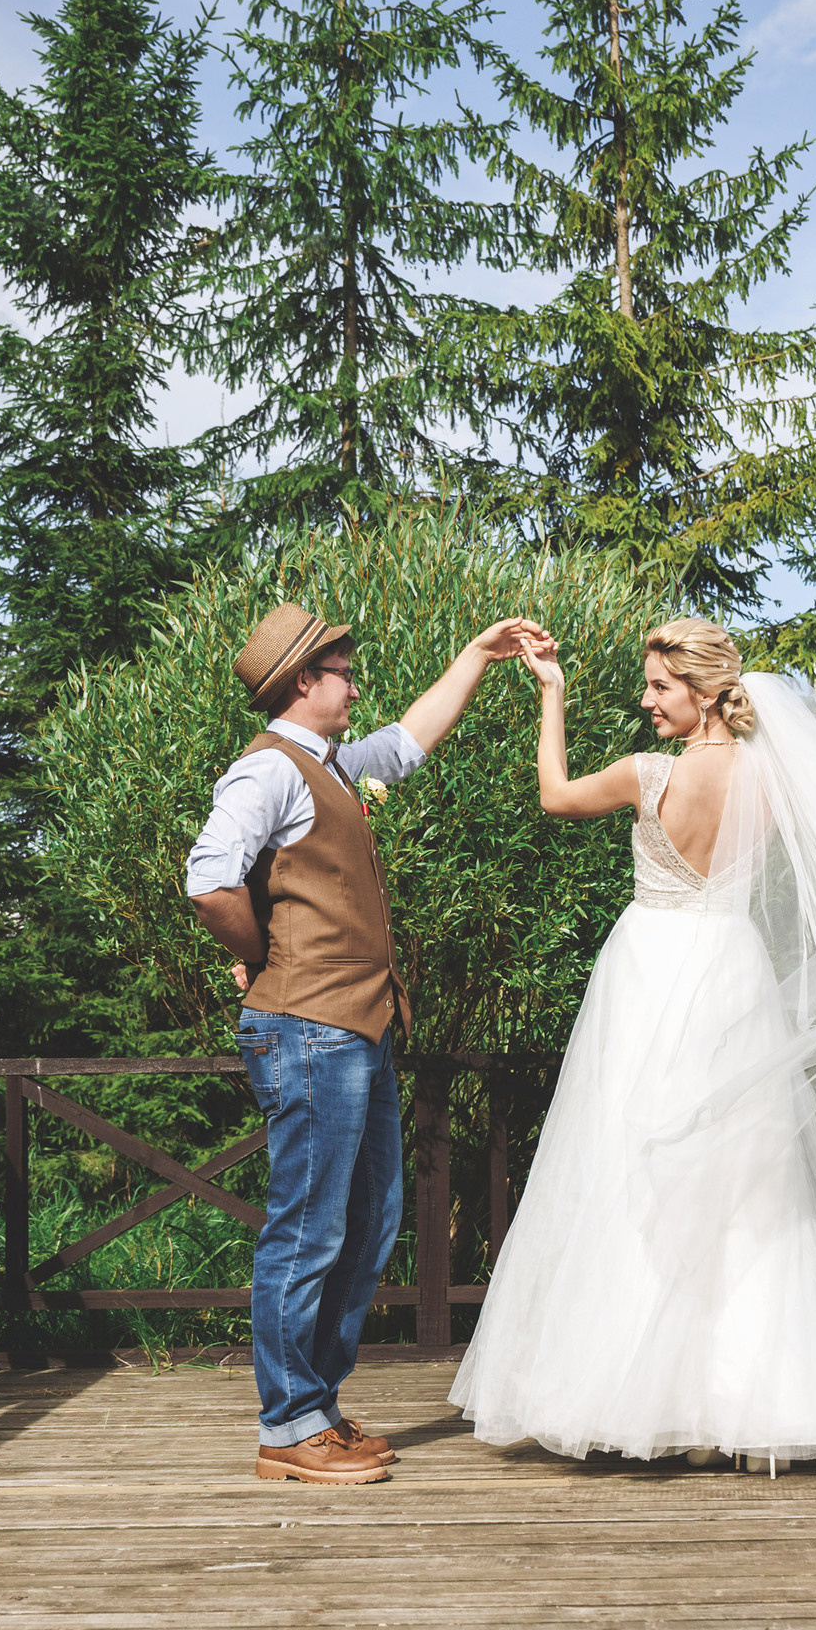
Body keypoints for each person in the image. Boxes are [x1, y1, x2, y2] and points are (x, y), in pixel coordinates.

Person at [448, 617, 816, 1471]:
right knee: (747, 1183)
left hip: (649, 971)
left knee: (633, 1164)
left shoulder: (649, 776)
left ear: (702, 690)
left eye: (658, 686)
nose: (647, 700)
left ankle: (635, 1395)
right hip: (732, 972)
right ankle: (760, 1400)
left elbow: (554, 794)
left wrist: (551, 693)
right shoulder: (773, 781)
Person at [188, 602, 547, 1485]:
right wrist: (258, 949)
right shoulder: (267, 772)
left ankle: (316, 1404)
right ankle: (286, 1427)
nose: (356, 684)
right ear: (305, 681)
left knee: (368, 1220)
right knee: (308, 1229)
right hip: (309, 1027)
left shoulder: (333, 765)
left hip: (358, 1027)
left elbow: (409, 741)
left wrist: (477, 652)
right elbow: (207, 881)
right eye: (344, 671)